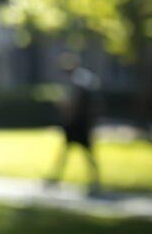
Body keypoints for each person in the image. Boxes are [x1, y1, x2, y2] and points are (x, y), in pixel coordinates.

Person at [46, 52, 103, 196]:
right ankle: (93, 181)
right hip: (83, 123)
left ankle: (93, 181)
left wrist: (65, 111)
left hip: (77, 123)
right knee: (75, 152)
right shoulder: (86, 78)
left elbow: (74, 103)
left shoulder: (77, 81)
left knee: (76, 152)